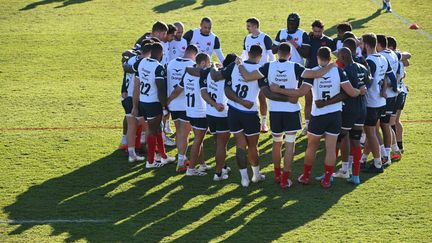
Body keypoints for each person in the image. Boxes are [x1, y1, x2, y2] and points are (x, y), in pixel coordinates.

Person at [238, 43, 335, 188]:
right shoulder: (295, 67)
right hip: (291, 111)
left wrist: (239, 64)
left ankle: (277, 174)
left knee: (276, 143)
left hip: (275, 111)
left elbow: (247, 76)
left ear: (278, 54)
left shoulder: (268, 66)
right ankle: (285, 179)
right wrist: (331, 66)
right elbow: (315, 74)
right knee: (290, 145)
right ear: (290, 54)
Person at [269, 46, 365, 188]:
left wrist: (279, 90)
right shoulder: (338, 71)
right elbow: (351, 92)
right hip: (335, 114)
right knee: (331, 148)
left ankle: (306, 176)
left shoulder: (313, 73)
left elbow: (301, 92)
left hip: (318, 115)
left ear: (317, 58)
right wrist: (360, 91)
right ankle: (327, 179)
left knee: (311, 146)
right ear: (330, 58)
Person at [210, 45, 269, 187]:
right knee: (253, 146)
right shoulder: (260, 70)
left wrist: (212, 65)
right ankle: (256, 175)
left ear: (248, 53)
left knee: (240, 145)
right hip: (250, 113)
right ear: (260, 56)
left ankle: (244, 179)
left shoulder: (234, 65)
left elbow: (216, 76)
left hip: (234, 112)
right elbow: (264, 94)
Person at [316, 47, 370, 185]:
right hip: (362, 108)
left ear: (343, 58)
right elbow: (368, 82)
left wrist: (325, 102)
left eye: (338, 57)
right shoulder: (362, 67)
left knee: (336, 140)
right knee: (356, 141)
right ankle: (355, 176)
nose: (337, 60)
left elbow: (345, 93)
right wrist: (362, 90)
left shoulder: (345, 72)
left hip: (349, 109)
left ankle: (329, 175)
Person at [132, 42, 175, 168]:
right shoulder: (158, 68)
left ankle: (163, 156)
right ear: (161, 53)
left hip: (143, 102)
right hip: (153, 103)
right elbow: (160, 89)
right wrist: (164, 107)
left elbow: (132, 70)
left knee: (157, 129)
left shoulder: (141, 62)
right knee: (152, 131)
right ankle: (150, 161)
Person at [359, 33, 397, 173]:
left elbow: (368, 82)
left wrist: (360, 91)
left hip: (371, 102)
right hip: (381, 102)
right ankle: (367, 159)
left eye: (362, 43)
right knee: (373, 132)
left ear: (366, 45)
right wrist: (392, 88)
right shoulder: (382, 57)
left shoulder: (369, 61)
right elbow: (391, 77)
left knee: (371, 133)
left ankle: (378, 163)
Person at [170, 53, 213, 176]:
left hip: (190, 111)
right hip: (200, 112)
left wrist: (168, 100)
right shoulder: (203, 74)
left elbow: (178, 89)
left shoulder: (188, 73)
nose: (209, 64)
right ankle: (191, 169)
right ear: (203, 63)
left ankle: (202, 164)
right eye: (208, 62)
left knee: (199, 139)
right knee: (198, 140)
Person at [273, 13, 312, 136]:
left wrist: (293, 44)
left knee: (296, 96)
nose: (291, 25)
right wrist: (282, 44)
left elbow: (306, 54)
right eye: (289, 22)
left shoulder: (302, 34)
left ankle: (305, 125)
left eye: (293, 23)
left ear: (298, 23)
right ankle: (283, 127)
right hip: (282, 68)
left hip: (296, 69)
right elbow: (273, 50)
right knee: (282, 95)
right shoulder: (281, 32)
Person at [166, 45, 198, 172]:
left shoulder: (171, 63)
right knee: (184, 134)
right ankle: (180, 162)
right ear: (195, 54)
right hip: (186, 104)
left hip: (173, 104)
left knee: (179, 131)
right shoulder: (193, 66)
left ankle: (182, 157)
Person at [241, 17, 275, 133]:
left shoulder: (265, 38)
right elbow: (244, 54)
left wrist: (269, 70)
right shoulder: (247, 38)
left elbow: (272, 56)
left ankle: (264, 123)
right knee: (247, 95)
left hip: (261, 72)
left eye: (249, 26)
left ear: (255, 26)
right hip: (249, 71)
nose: (247, 28)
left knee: (262, 97)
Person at [387, 36, 410, 155]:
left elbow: (395, 78)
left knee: (390, 123)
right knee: (396, 120)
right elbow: (407, 64)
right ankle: (399, 146)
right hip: (403, 91)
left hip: (397, 92)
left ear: (390, 47)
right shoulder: (398, 57)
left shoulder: (392, 59)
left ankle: (394, 148)